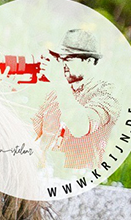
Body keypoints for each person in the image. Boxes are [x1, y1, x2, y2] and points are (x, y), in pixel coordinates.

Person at [33, 29, 120, 170]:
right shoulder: (59, 91)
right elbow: (38, 135)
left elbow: (81, 127)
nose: (64, 65)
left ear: (90, 61)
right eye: (61, 59)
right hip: (51, 177)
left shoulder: (105, 96)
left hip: (83, 178)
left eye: (70, 59)